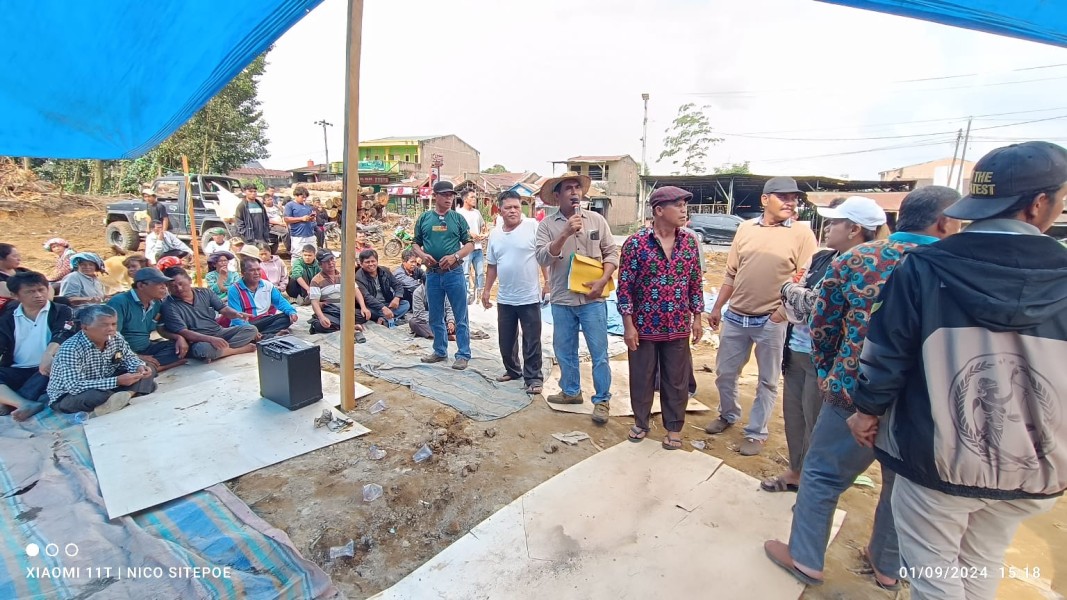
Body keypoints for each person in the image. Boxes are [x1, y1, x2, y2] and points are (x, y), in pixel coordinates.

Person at [847, 142, 1067, 600]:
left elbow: (886, 353)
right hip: (1033, 462)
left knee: (935, 578)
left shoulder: (924, 268)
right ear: (1039, 203)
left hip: (938, 458)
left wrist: (866, 411)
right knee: (982, 561)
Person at [763, 186, 960, 589]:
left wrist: (828, 371)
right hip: (923, 404)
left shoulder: (860, 260)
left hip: (853, 394)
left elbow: (824, 322)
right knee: (898, 483)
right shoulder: (956, 266)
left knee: (821, 474)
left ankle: (805, 558)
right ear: (943, 222)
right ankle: (887, 565)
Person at [762, 196, 885, 493]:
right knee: (794, 416)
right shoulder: (822, 259)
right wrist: (796, 295)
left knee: (817, 422)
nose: (827, 228)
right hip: (797, 349)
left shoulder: (869, 268)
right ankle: (796, 470)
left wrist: (796, 295)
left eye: (834, 223)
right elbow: (792, 294)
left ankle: (812, 486)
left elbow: (812, 303)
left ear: (854, 229)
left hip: (828, 362)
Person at [704, 176, 818, 456]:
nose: (791, 203)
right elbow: (731, 272)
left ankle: (756, 432)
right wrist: (718, 307)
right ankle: (728, 415)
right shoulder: (745, 229)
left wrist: (781, 313)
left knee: (767, 380)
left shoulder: (802, 234)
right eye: (784, 197)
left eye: (794, 198)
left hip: (771, 320)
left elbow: (805, 277)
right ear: (765, 200)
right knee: (725, 374)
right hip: (736, 317)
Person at [616, 186, 704, 448]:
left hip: (678, 325)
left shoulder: (689, 242)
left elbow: (695, 282)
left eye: (684, 205)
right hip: (643, 327)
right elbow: (625, 287)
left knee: (676, 379)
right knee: (641, 376)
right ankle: (641, 422)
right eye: (677, 205)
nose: (683, 209)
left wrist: (697, 317)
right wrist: (628, 326)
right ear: (658, 210)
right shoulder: (635, 243)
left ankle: (674, 428)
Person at [535, 171, 619, 424]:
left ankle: (602, 400)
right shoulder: (547, 226)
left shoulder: (596, 220)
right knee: (564, 349)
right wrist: (565, 233)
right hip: (562, 299)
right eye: (568, 188)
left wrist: (603, 281)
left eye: (577, 187)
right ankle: (571, 392)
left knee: (599, 351)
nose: (574, 192)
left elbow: (611, 254)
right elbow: (542, 258)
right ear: (557, 195)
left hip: (593, 299)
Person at [482, 190, 547, 395]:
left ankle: (534, 378)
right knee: (506, 339)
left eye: (516, 207)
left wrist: (549, 282)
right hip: (505, 297)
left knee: (532, 339)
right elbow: (492, 265)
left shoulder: (532, 227)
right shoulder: (495, 234)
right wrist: (486, 290)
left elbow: (543, 255)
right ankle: (512, 370)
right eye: (508, 207)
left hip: (529, 296)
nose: (513, 211)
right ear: (499, 210)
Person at [47, 304, 156, 416]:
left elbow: (129, 357)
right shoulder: (71, 349)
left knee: (148, 367)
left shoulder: (116, 337)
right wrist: (117, 381)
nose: (111, 329)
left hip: (105, 382)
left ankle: (127, 395)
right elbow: (74, 387)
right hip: (70, 395)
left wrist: (139, 367)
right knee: (96, 396)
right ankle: (126, 394)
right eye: (104, 325)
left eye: (114, 324)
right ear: (85, 328)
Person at [411, 181, 474, 370]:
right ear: (435, 195)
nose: (449, 198)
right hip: (432, 274)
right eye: (445, 195)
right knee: (435, 315)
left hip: (454, 273)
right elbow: (415, 243)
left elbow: (469, 244)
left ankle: (463, 354)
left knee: (460, 315)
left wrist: (455, 256)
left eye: (451, 195)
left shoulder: (457, 219)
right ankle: (439, 350)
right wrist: (422, 255)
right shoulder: (424, 219)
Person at [0, 271, 75, 420]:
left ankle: (10, 401)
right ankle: (23, 403)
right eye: (30, 292)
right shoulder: (7, 319)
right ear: (15, 296)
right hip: (17, 368)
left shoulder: (61, 311)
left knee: (53, 370)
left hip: (48, 367)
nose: (38, 295)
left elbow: (63, 334)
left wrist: (48, 355)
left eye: (41, 290)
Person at [161, 267, 259, 362]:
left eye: (181, 284)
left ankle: (220, 352)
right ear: (167, 287)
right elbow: (184, 332)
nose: (179, 288)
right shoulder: (169, 305)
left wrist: (237, 314)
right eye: (173, 287)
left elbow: (223, 309)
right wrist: (211, 339)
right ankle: (238, 350)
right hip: (198, 340)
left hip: (218, 332)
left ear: (189, 280)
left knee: (251, 329)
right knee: (202, 349)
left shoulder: (205, 292)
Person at [107, 267, 190, 372]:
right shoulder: (119, 302)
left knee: (181, 347)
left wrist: (178, 337)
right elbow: (110, 339)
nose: (164, 287)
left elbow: (161, 328)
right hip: (123, 353)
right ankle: (153, 367)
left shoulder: (156, 303)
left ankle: (149, 366)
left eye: (165, 284)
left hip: (146, 347)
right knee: (118, 360)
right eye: (159, 283)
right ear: (141, 285)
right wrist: (136, 357)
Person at [228, 256, 298, 338]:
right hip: (245, 324)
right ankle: (267, 336)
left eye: (258, 269)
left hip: (263, 320)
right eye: (252, 270)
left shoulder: (267, 285)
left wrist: (291, 312)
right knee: (241, 332)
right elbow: (236, 317)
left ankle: (262, 336)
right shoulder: (234, 289)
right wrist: (250, 329)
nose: (257, 273)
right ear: (243, 273)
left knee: (286, 317)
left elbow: (280, 302)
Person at [308, 250, 369, 342]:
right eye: (327, 261)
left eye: (332, 259)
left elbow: (356, 290)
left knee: (363, 315)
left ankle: (343, 326)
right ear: (320, 264)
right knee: (321, 324)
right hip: (329, 310)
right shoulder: (316, 280)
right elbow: (314, 302)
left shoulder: (343, 276)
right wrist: (321, 317)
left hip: (344, 308)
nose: (331, 263)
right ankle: (349, 327)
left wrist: (363, 307)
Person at [355, 249, 410, 327]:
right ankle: (388, 318)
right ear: (361, 264)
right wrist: (383, 308)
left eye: (373, 261)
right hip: (372, 307)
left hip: (387, 303)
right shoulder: (358, 277)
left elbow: (397, 284)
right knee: (367, 312)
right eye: (367, 262)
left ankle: (384, 319)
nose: (371, 264)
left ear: (377, 261)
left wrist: (397, 297)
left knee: (406, 304)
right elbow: (367, 297)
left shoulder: (384, 271)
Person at [457, 190, 487, 304]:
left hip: (478, 247)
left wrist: (484, 234)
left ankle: (479, 296)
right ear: (465, 199)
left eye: (475, 197)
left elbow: (483, 226)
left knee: (480, 272)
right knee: (465, 273)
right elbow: (458, 229)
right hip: (465, 248)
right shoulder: (459, 213)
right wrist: (469, 233)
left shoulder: (477, 213)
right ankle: (467, 296)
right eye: (472, 197)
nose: (475, 199)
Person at [284, 186, 317, 263]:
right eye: (302, 197)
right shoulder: (290, 205)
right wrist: (301, 219)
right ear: (296, 195)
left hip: (310, 234)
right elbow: (286, 219)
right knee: (297, 256)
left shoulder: (308, 206)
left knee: (312, 254)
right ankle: (296, 273)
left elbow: (309, 219)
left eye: (305, 197)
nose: (304, 199)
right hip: (298, 236)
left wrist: (311, 218)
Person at [0, 243, 30, 312]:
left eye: (18, 256)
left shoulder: (23, 271)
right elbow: (9, 293)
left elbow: (47, 286)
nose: (19, 259)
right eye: (14, 256)